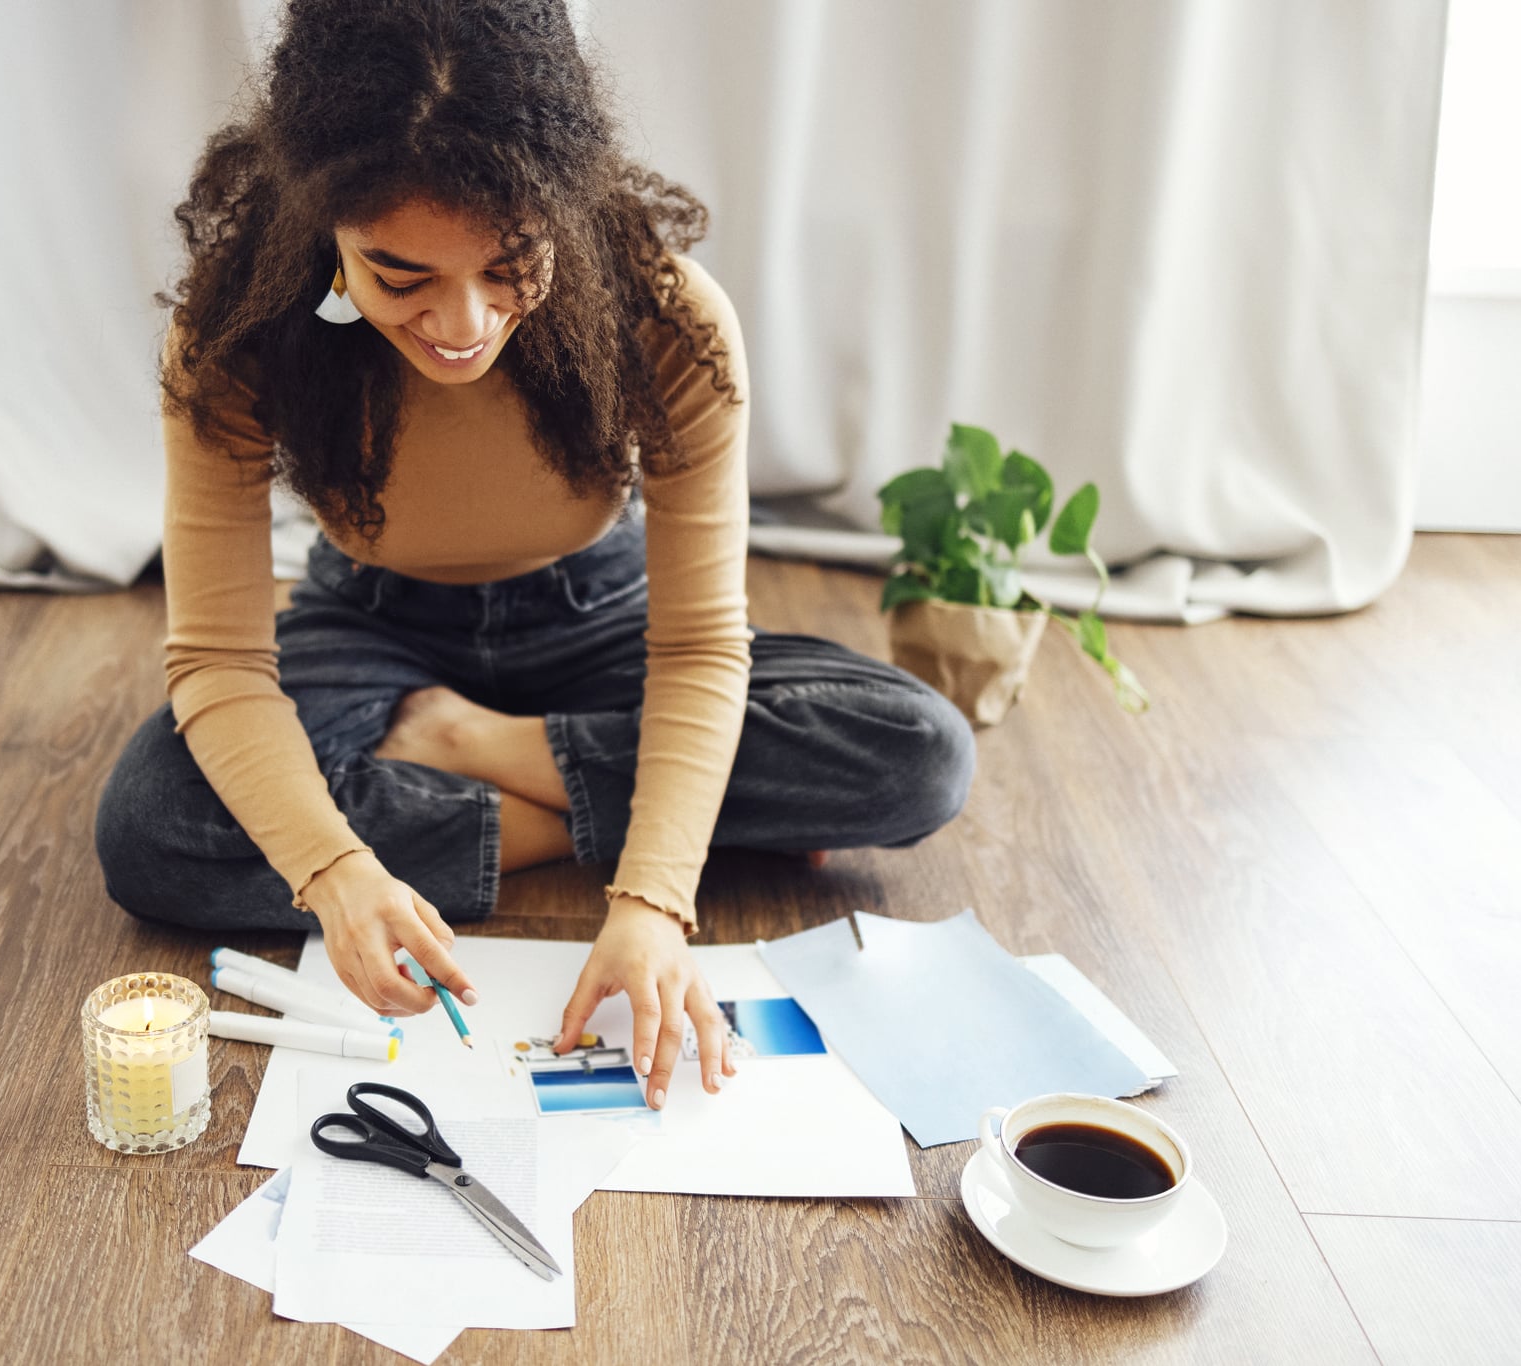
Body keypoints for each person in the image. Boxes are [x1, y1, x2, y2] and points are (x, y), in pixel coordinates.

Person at [96, 0, 975, 1111]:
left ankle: (465, 745)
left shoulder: (669, 318)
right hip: (370, 626)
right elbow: (219, 662)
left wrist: (652, 902)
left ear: (561, 198)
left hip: (594, 615)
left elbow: (702, 643)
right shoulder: (237, 333)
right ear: (324, 225)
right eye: (400, 275)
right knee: (150, 832)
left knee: (916, 752)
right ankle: (647, 814)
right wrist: (336, 873)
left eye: (509, 263)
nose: (461, 322)